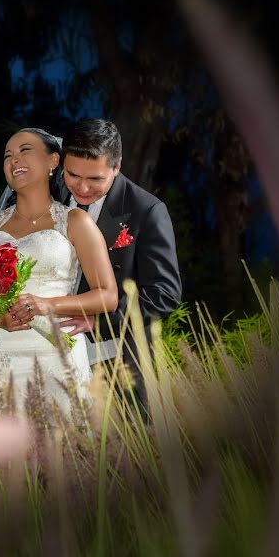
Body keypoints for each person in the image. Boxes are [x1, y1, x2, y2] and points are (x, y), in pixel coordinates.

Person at [0, 128, 117, 421]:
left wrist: (48, 305)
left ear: (53, 161)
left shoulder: (74, 221)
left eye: (25, 150)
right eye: (8, 155)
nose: (14, 159)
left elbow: (107, 296)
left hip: (56, 359)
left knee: (65, 456)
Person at [54, 119, 182, 411]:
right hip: (54, 357)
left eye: (95, 179)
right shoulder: (54, 195)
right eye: (73, 175)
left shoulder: (147, 211)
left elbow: (165, 293)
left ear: (117, 166)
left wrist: (98, 323)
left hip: (119, 361)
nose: (82, 188)